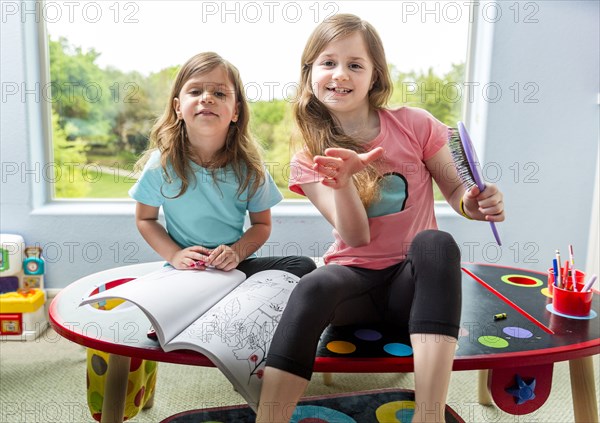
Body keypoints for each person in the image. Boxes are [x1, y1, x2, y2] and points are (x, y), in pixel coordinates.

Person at [257, 15, 505, 423]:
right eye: (328, 63)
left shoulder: (415, 124)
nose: (340, 74)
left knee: (436, 243)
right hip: (353, 290)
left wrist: (473, 205)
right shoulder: (308, 157)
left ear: (374, 77)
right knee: (314, 282)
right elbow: (354, 237)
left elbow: (458, 192)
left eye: (355, 64)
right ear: (310, 74)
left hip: (412, 288)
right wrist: (342, 182)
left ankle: (428, 415)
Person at [129, 52, 316, 280]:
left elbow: (262, 225)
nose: (207, 98)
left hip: (234, 268)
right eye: (195, 91)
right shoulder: (163, 163)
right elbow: (145, 219)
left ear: (236, 111)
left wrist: (236, 254)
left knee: (302, 265)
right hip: (185, 271)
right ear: (178, 107)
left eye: (219, 93)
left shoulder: (250, 166)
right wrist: (176, 255)